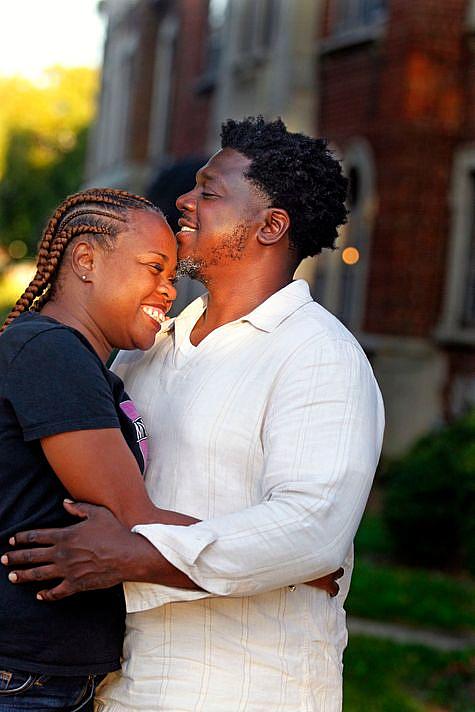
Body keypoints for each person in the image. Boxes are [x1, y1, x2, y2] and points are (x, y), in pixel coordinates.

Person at [3, 117, 384, 711]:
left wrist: (137, 553)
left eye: (209, 192)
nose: (184, 200)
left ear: (271, 225)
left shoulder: (318, 354)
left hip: (241, 686)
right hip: (116, 684)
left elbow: (312, 530)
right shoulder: (144, 352)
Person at [0, 188, 201, 710]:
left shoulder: (86, 364)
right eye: (154, 267)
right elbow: (133, 516)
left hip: (50, 675)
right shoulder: (49, 350)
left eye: (172, 276)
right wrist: (285, 560)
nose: (167, 291)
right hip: (20, 676)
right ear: (86, 260)